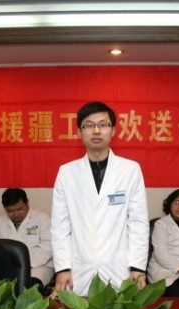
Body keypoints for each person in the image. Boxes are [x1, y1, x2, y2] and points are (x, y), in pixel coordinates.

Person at [51, 101, 149, 297]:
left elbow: (138, 223)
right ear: (79, 132)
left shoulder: (130, 170)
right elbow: (60, 226)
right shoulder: (66, 173)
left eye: (103, 125)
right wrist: (62, 268)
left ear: (113, 131)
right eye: (89, 125)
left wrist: (137, 267)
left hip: (119, 269)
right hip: (78, 271)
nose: (96, 131)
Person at [0, 188, 54, 289]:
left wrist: (23, 264)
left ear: (27, 202)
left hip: (38, 266)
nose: (15, 214)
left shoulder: (42, 218)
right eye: (10, 211)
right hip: (7, 266)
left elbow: (47, 247)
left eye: (19, 209)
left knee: (28, 287)